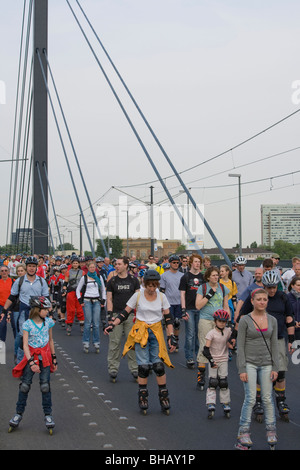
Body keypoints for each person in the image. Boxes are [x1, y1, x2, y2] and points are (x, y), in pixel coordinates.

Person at [104, 270, 177, 414]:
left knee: (158, 366)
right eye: (149, 285)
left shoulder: (162, 297)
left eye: (154, 286)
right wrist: (113, 324)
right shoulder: (137, 296)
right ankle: (143, 396)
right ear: (145, 284)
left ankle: (163, 396)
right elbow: (125, 313)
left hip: (156, 332)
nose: (151, 289)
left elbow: (168, 318)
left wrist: (171, 336)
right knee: (143, 367)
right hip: (141, 331)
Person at [236, 270, 295, 423]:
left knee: (280, 371)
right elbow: (243, 317)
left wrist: (292, 339)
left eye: (274, 287)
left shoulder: (283, 298)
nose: (271, 291)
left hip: (279, 338)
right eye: (269, 287)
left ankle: (281, 401)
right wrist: (234, 336)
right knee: (259, 370)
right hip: (258, 340)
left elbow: (289, 318)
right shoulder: (257, 298)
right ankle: (258, 402)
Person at [236, 288, 279, 450]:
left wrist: (276, 366)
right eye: (259, 299)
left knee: (268, 398)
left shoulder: (272, 320)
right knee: (251, 398)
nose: (262, 302)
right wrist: (242, 369)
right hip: (250, 363)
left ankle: (271, 430)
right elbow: (240, 346)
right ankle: (243, 432)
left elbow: (275, 345)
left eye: (264, 299)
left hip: (267, 363)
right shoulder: (245, 320)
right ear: (252, 301)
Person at [8, 296, 58, 434]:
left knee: (45, 386)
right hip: (32, 357)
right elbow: (25, 345)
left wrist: (54, 358)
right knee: (25, 386)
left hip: (45, 358)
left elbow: (51, 341)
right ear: (37, 310)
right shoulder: (28, 324)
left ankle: (48, 415)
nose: (48, 311)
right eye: (45, 309)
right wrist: (31, 362)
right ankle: (18, 413)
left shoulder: (48, 322)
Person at [1, 256, 50, 363]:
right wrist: (4, 311)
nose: (31, 268)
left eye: (33, 266)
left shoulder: (41, 281)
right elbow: (12, 297)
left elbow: (46, 298)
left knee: (39, 335)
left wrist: (49, 314)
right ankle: (19, 361)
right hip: (24, 311)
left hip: (38, 312)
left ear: (37, 268)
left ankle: (41, 360)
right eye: (29, 266)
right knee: (22, 335)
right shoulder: (20, 281)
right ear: (26, 267)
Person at [195, 266, 229, 390]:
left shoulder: (223, 288)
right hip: (205, 319)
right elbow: (198, 306)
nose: (216, 277)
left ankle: (218, 376)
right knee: (205, 346)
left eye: (217, 275)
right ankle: (201, 375)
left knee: (219, 348)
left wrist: (228, 320)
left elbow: (225, 306)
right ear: (208, 276)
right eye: (214, 275)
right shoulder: (202, 288)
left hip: (219, 321)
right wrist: (209, 295)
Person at [106, 257, 140, 382]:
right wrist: (110, 315)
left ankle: (135, 368)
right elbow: (109, 299)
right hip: (116, 315)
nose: (116, 266)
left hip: (131, 316)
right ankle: (113, 368)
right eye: (116, 264)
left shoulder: (134, 280)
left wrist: (139, 315)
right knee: (115, 342)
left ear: (126, 265)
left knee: (132, 342)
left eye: (119, 264)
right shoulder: (112, 281)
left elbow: (137, 298)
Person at [203, 309, 233, 419]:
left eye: (224, 322)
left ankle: (225, 403)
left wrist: (232, 345)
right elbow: (205, 350)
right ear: (215, 321)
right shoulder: (211, 333)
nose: (222, 323)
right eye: (220, 321)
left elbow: (230, 341)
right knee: (213, 382)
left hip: (223, 359)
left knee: (223, 382)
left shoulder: (228, 331)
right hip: (214, 359)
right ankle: (211, 403)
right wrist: (211, 361)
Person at [179, 254, 204, 368]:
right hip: (189, 308)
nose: (197, 263)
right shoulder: (185, 277)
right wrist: (183, 310)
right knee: (190, 335)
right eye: (195, 261)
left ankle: (199, 356)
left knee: (199, 334)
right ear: (191, 263)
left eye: (199, 262)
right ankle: (189, 357)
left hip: (200, 309)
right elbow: (182, 294)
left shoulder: (203, 277)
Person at [76, 260, 106, 353]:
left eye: (94, 267)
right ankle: (86, 342)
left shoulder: (98, 277)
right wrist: (80, 300)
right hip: (87, 301)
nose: (92, 269)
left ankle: (96, 342)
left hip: (96, 301)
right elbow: (78, 290)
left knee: (96, 324)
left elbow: (103, 289)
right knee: (88, 323)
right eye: (91, 267)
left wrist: (103, 300)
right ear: (88, 268)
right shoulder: (84, 278)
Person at [160, 254, 185, 351]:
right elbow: (162, 291)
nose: (175, 264)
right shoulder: (164, 276)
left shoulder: (182, 275)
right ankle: (170, 340)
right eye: (173, 263)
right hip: (168, 303)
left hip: (179, 302)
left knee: (177, 323)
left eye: (177, 263)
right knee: (169, 322)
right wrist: (162, 306)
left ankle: (176, 340)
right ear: (170, 263)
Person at [62, 256, 84, 336]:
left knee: (80, 309)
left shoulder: (82, 272)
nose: (75, 264)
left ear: (79, 264)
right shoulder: (68, 272)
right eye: (74, 263)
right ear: (71, 264)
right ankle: (69, 325)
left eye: (77, 263)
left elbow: (84, 283)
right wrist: (64, 290)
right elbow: (65, 282)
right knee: (70, 309)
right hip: (71, 292)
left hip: (79, 292)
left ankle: (82, 325)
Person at [0, 265, 13, 343]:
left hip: (12, 307)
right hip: (1, 307)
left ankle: (19, 347)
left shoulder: (13, 281)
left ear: (8, 272)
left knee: (15, 326)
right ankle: (2, 342)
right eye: (2, 271)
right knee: (2, 324)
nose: (4, 272)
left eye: (5, 270)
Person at [287, 276, 300, 342]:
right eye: (298, 285)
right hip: (290, 330)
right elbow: (286, 313)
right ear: (292, 286)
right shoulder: (287, 297)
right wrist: (293, 322)